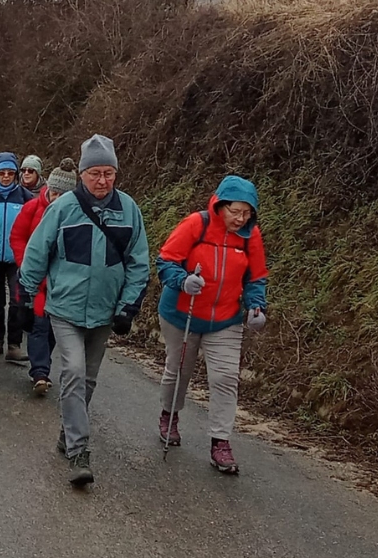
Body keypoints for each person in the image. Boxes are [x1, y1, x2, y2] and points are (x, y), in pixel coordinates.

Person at [19, 134, 150, 487]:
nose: (102, 180)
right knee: (74, 372)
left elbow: (139, 263)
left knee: (88, 379)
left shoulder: (129, 210)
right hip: (65, 308)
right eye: (95, 173)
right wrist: (24, 299)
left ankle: (68, 432)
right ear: (82, 174)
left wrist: (128, 307)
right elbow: (37, 252)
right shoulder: (62, 208)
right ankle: (79, 451)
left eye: (108, 173)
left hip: (105, 313)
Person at [155, 175, 269, 475]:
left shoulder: (250, 236)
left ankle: (221, 442)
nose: (241, 219)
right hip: (182, 314)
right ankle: (169, 415)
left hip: (225, 319)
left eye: (247, 213)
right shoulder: (197, 224)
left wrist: (256, 305)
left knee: (226, 378)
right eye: (235, 211)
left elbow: (256, 277)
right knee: (179, 371)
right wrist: (183, 280)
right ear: (220, 205)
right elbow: (166, 261)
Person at [11, 158, 78, 395]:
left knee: (52, 330)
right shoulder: (32, 208)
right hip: (38, 281)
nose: (57, 198)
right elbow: (17, 237)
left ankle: (42, 366)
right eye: (54, 192)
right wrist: (26, 265)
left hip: (62, 284)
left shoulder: (77, 215)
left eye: (63, 195)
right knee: (39, 326)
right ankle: (39, 372)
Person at [0, 152, 34, 361]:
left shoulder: (26, 197)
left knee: (17, 302)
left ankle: (14, 344)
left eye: (10, 173)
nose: (6, 177)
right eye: (2, 173)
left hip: (17, 259)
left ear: (15, 174)